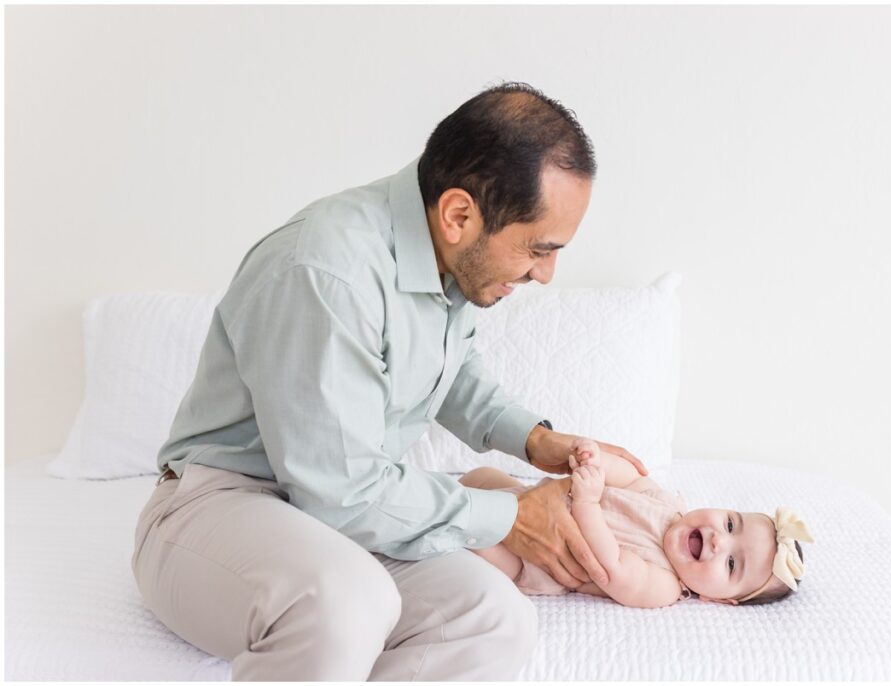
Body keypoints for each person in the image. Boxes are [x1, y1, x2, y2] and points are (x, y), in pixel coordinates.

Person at [130, 81, 648, 681]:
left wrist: (535, 440)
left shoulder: (445, 254)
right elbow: (343, 489)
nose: (547, 273)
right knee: (349, 602)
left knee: (496, 619)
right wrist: (511, 516)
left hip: (336, 517)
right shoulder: (328, 270)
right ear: (460, 213)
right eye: (538, 248)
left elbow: (451, 372)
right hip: (220, 504)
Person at [460, 439, 815, 607]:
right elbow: (629, 478)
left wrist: (586, 502)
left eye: (732, 563)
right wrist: (598, 463)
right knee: (481, 476)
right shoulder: (667, 504)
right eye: (731, 524)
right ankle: (446, 497)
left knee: (473, 537)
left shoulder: (664, 585)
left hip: (535, 563)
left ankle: (436, 523)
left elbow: (611, 567)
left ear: (718, 599)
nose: (719, 541)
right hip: (531, 502)